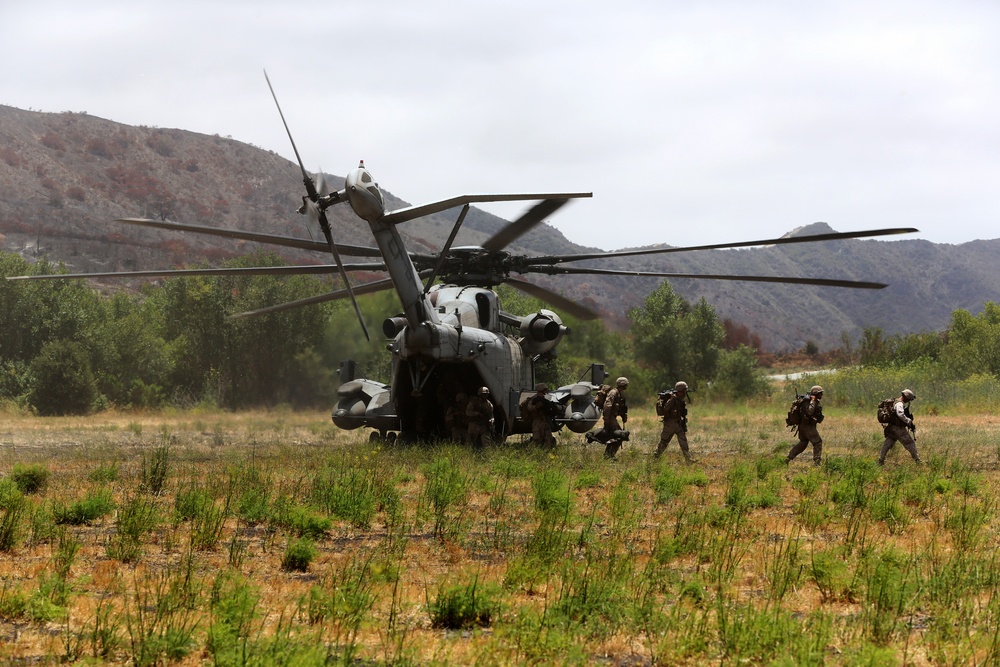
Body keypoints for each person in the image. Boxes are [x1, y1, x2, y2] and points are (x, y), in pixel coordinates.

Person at [879, 389, 922, 465]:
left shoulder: (895, 402)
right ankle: (918, 461)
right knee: (910, 443)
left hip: (892, 427)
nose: (908, 401)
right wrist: (909, 421)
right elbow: (900, 414)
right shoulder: (899, 404)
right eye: (908, 399)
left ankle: (881, 460)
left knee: (888, 443)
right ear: (905, 397)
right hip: (898, 428)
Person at [655, 381, 693, 462]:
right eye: (685, 390)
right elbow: (666, 409)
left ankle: (688, 459)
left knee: (683, 440)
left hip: (678, 423)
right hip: (670, 424)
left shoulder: (679, 399)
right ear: (681, 390)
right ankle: (656, 456)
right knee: (664, 442)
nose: (685, 392)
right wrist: (672, 399)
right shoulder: (673, 398)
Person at [786, 385, 825, 466]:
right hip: (808, 426)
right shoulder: (808, 401)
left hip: (804, 427)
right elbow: (810, 412)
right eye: (820, 393)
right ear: (815, 394)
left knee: (803, 443)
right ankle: (817, 463)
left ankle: (788, 458)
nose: (821, 395)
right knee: (817, 442)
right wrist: (813, 401)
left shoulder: (809, 400)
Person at [601, 376, 630, 459]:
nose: (626, 386)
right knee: (619, 436)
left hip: (612, 417)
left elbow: (618, 407)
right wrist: (607, 419)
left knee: (613, 437)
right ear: (622, 384)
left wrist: (623, 415)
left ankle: (608, 455)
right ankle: (609, 455)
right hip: (610, 418)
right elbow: (607, 405)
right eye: (626, 384)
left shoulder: (619, 393)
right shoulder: (613, 392)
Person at [520, 383, 556, 447]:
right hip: (537, 421)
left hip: (545, 420)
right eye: (545, 390)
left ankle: (547, 452)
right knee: (537, 439)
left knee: (548, 438)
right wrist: (536, 407)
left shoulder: (544, 399)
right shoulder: (534, 399)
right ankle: (532, 451)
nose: (546, 391)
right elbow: (529, 407)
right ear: (542, 390)